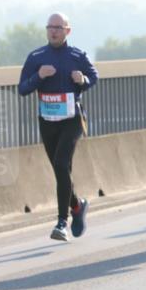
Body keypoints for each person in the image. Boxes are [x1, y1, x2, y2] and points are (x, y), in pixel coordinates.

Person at [18, 13, 98, 241]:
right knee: (60, 170)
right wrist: (38, 77)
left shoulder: (77, 55)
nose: (53, 31)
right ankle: (77, 205)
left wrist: (82, 80)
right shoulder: (36, 57)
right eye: (50, 27)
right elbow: (22, 88)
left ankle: (62, 222)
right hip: (48, 121)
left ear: (67, 31)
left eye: (58, 28)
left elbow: (94, 76)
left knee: (62, 164)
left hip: (72, 120)